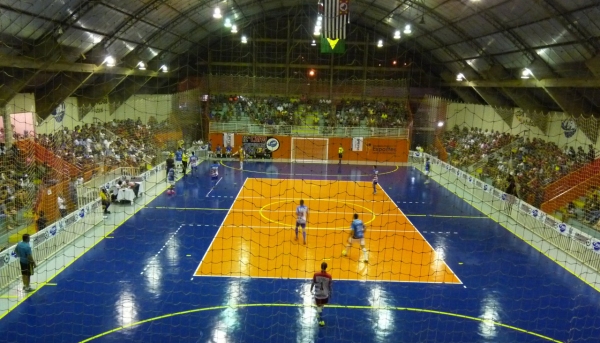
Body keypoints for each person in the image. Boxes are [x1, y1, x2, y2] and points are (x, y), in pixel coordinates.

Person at [310, 261, 332, 327]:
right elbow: (329, 286)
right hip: (325, 295)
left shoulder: (316, 274)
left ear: (321, 267)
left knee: (318, 306)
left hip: (317, 294)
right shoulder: (329, 276)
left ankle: (319, 315)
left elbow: (313, 282)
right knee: (321, 306)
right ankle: (320, 319)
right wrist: (330, 293)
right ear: (326, 267)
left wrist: (311, 289)